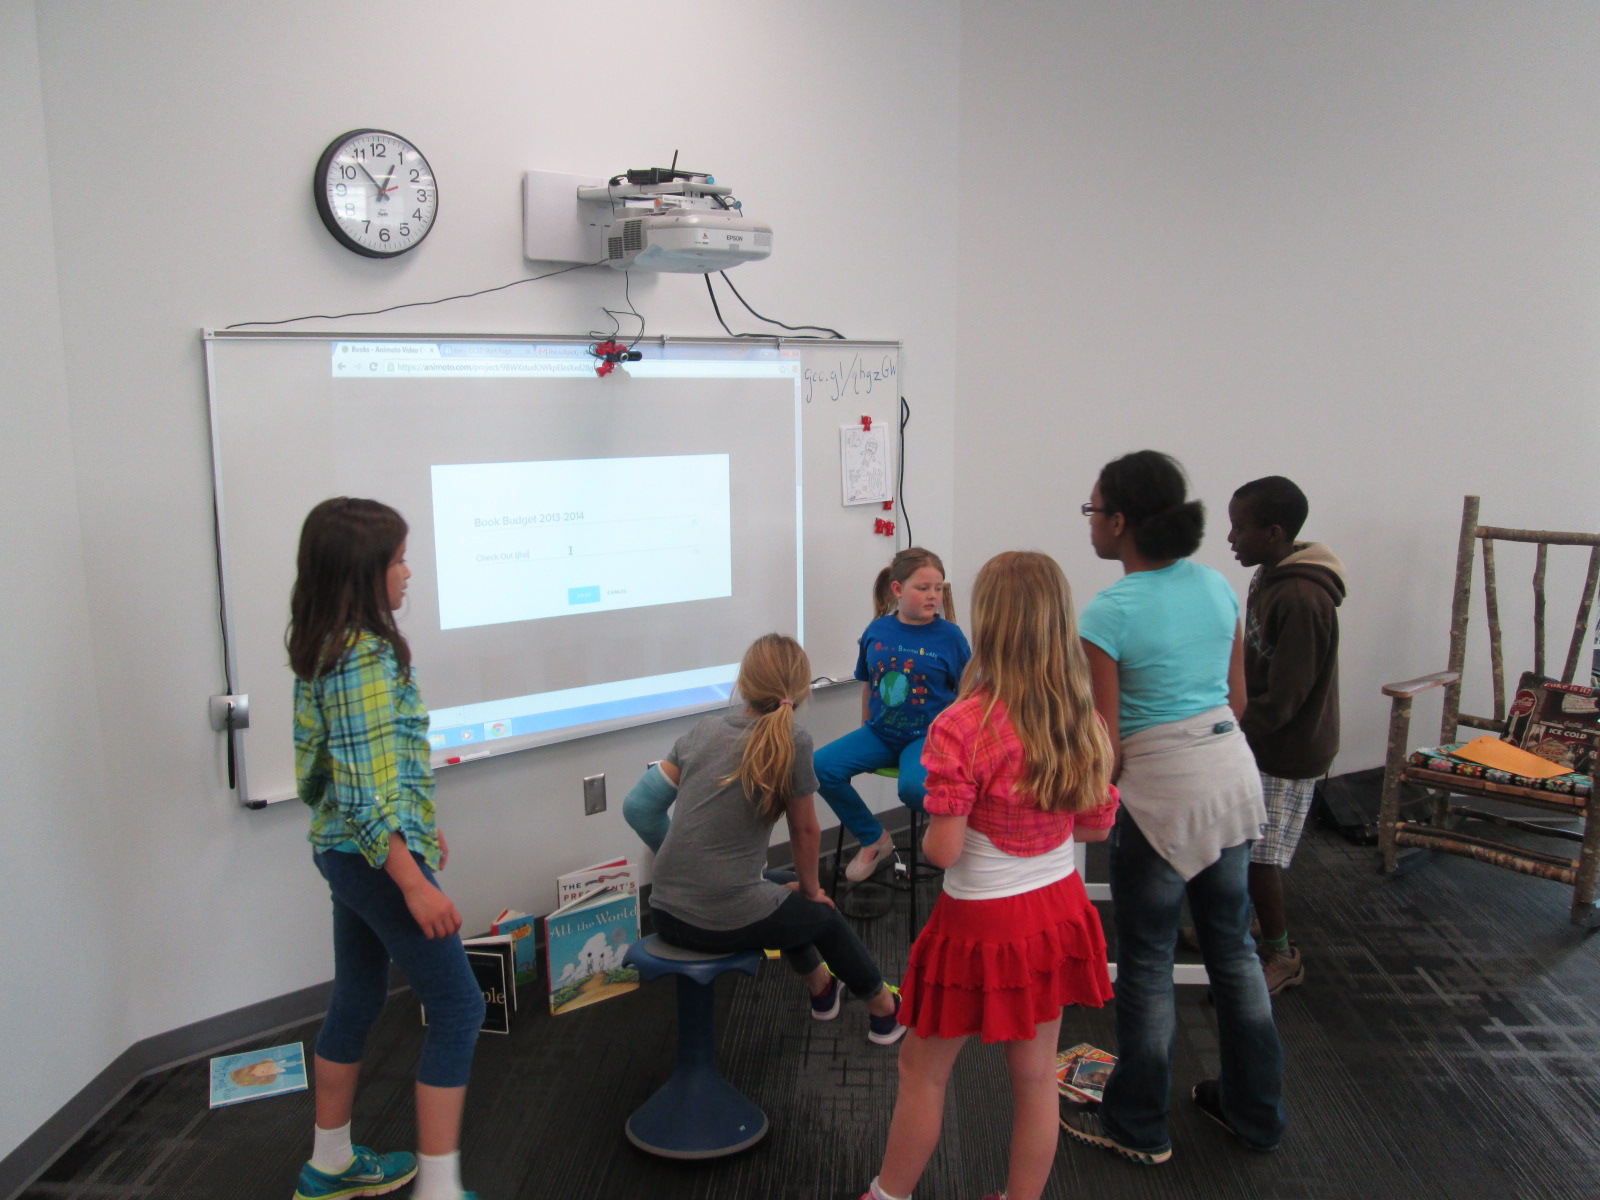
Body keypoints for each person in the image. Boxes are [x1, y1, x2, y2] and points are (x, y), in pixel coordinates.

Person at [860, 551, 1118, 1200]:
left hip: (980, 921)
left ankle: (888, 1196)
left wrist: (948, 819)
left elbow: (943, 852)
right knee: (1034, 1077)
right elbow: (1094, 827)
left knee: (921, 1070)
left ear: (990, 623)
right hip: (1057, 911)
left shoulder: (962, 725)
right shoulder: (1081, 719)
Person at [1061, 450, 1286, 1166]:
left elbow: (1107, 747)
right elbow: (1237, 700)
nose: (1090, 521)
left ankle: (1139, 1125)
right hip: (1231, 782)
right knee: (1235, 951)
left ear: (1120, 522)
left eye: (1094, 509)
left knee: (1148, 962)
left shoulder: (1108, 612)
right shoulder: (1218, 586)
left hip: (1162, 798)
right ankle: (1255, 1113)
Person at [288, 497, 483, 1200]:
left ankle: (330, 1163)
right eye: (398, 560)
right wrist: (412, 879)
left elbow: (368, 770)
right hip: (372, 858)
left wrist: (422, 828)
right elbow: (364, 792)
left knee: (360, 993)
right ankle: (439, 1190)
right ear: (363, 572)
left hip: (346, 851)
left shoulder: (327, 643)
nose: (408, 573)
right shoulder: (362, 656)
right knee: (459, 1007)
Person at [625, 633, 906, 1044]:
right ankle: (885, 1012)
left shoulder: (703, 730)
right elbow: (805, 832)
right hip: (715, 919)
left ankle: (822, 989)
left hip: (664, 910)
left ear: (744, 682)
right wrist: (811, 892)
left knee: (781, 883)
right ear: (802, 689)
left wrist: (685, 863)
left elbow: (638, 807)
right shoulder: (794, 740)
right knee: (823, 917)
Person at [1228, 476, 1346, 994]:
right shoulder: (1270, 575)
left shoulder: (1302, 598)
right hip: (1260, 736)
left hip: (1286, 748)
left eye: (1240, 528)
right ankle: (1242, 924)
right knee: (1239, 842)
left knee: (1261, 856)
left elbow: (1286, 698)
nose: (1231, 538)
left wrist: (1229, 732)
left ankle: (1282, 953)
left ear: (1274, 533)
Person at [815, 548, 971, 882]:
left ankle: (957, 840)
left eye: (938, 588)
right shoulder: (877, 630)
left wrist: (959, 747)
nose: (933, 596)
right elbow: (869, 684)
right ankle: (874, 838)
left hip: (926, 739)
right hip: (879, 733)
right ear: (898, 589)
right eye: (923, 588)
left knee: (912, 789)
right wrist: (864, 726)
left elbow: (968, 696)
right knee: (820, 767)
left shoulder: (951, 637)